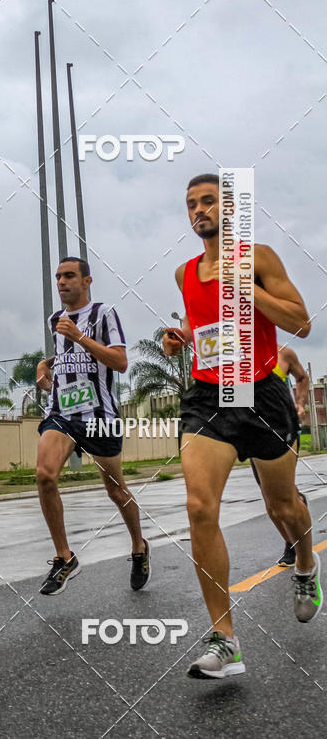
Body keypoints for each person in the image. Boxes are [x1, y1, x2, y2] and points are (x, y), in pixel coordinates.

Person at [163, 174, 322, 680]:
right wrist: (180, 339)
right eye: (192, 204)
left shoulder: (260, 258)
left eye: (209, 201)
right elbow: (203, 328)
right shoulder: (184, 273)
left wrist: (246, 290)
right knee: (198, 506)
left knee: (283, 506)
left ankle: (305, 564)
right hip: (208, 397)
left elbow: (301, 322)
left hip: (260, 395)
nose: (199, 210)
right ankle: (225, 640)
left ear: (229, 210)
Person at [35, 257, 149, 596]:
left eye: (69, 276)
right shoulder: (55, 319)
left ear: (87, 281)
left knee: (116, 490)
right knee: (44, 475)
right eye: (58, 277)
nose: (61, 282)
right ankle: (64, 557)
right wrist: (44, 367)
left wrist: (81, 336)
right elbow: (63, 356)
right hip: (62, 414)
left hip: (99, 416)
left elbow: (120, 362)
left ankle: (139, 546)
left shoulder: (104, 314)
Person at [250, 346, 309, 566]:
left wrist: (299, 405)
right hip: (254, 433)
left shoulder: (283, 353)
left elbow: (302, 378)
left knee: (281, 495)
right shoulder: (238, 359)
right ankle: (291, 539)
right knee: (270, 499)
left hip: (284, 429)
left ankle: (297, 548)